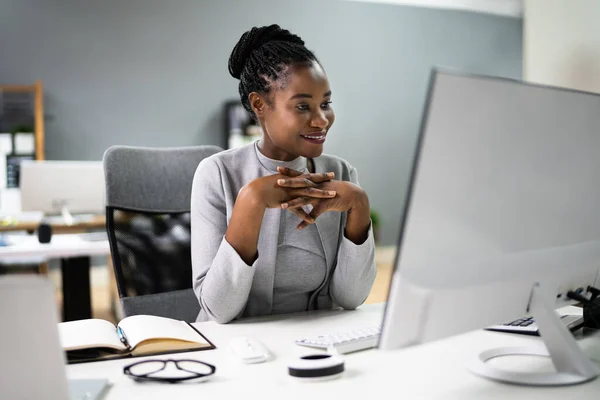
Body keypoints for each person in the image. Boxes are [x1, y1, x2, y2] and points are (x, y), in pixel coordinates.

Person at [191, 24, 376, 323]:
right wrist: (251, 201)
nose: (321, 120)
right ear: (259, 104)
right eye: (303, 106)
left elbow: (351, 298)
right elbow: (218, 311)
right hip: (237, 349)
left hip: (313, 344)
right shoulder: (216, 174)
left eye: (325, 104)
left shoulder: (341, 173)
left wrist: (359, 204)